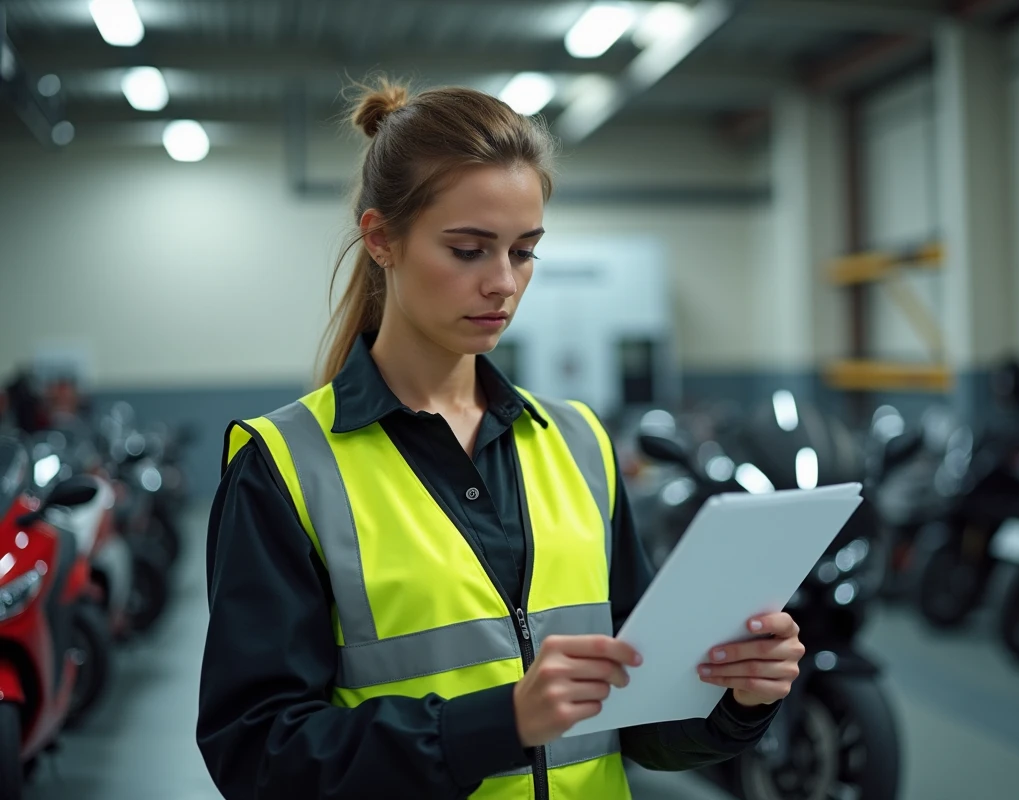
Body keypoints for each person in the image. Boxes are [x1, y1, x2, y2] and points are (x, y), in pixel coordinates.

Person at [196, 78, 807, 800]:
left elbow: (640, 724)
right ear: (381, 239)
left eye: (524, 252)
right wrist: (497, 723)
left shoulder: (580, 444)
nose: (503, 284)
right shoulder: (286, 467)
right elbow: (259, 757)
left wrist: (736, 697)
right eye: (468, 250)